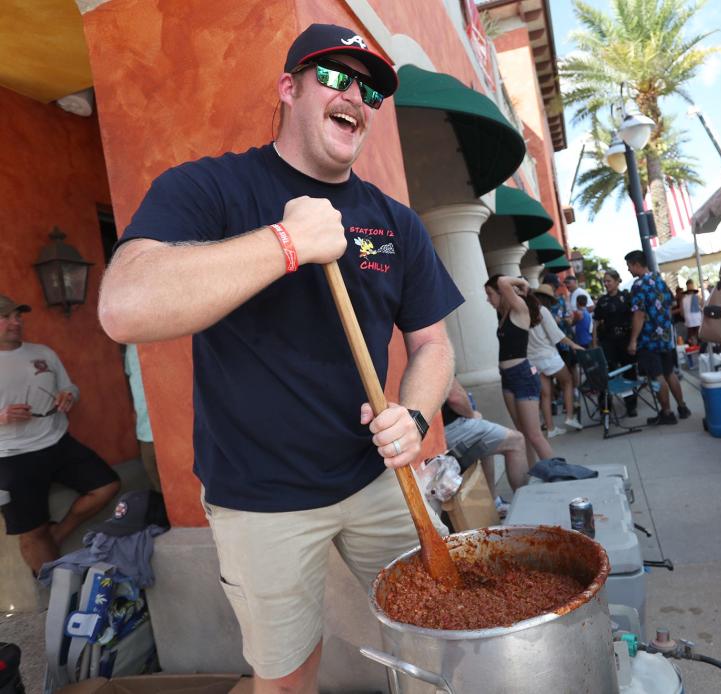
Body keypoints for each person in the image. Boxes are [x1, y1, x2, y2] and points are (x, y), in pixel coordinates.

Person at [97, 24, 463, 691]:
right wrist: (288, 243)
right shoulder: (211, 190)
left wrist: (413, 413)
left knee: (440, 636)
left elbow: (432, 345)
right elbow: (124, 305)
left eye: (370, 86)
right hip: (257, 495)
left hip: (376, 477)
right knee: (288, 676)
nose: (355, 92)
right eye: (333, 76)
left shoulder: (396, 222)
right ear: (287, 89)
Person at [0, 296, 120, 574]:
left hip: (57, 441)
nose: (16, 322)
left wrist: (69, 396)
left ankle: (58, 534)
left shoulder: (42, 352)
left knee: (107, 486)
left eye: (18, 316)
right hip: (12, 456)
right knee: (33, 531)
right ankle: (54, 594)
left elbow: (70, 386)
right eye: (6, 317)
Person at [484, 275, 556, 467]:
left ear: (502, 293)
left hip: (522, 376)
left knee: (534, 434)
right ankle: (535, 473)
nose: (487, 299)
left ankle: (560, 476)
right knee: (522, 435)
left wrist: (521, 283)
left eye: (490, 294)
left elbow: (502, 282)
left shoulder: (519, 309)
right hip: (507, 377)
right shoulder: (505, 314)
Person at [624, 250, 691, 425]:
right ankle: (682, 407)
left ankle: (667, 413)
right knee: (669, 372)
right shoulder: (660, 281)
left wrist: (633, 340)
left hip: (648, 339)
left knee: (657, 375)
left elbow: (639, 314)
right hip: (665, 337)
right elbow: (669, 306)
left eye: (629, 267)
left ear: (636, 264)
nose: (629, 271)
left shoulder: (638, 286)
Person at [441, 378, 526, 510]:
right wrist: (471, 414)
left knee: (485, 443)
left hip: (436, 430)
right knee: (516, 441)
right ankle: (524, 504)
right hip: (447, 429)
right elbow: (455, 398)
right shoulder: (433, 357)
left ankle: (494, 503)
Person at [529, 284, 584, 437]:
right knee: (567, 382)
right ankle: (570, 417)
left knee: (545, 394)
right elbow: (557, 335)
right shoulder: (542, 311)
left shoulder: (524, 312)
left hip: (533, 361)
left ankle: (551, 429)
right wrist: (573, 344)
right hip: (548, 356)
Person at [593, 269, 638, 417]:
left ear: (617, 281)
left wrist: (634, 340)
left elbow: (636, 317)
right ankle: (605, 407)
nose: (606, 284)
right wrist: (594, 343)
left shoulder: (626, 297)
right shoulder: (602, 301)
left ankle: (631, 405)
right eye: (604, 281)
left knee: (628, 373)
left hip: (625, 340)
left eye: (609, 281)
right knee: (607, 374)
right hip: (608, 341)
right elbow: (595, 322)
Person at [123, 344, 159, 492]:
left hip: (169, 423)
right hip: (145, 423)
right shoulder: (131, 346)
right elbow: (130, 376)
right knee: (151, 467)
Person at [681, 279, 703, 345]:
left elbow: (681, 313)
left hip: (688, 321)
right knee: (699, 337)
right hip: (698, 320)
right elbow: (703, 307)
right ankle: (700, 349)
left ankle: (692, 348)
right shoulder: (698, 297)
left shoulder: (683, 299)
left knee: (690, 338)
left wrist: (686, 317)